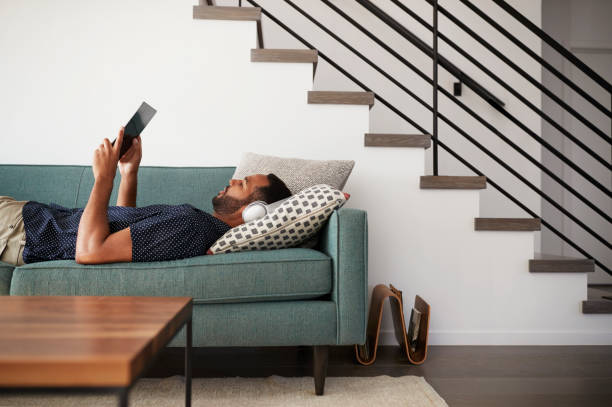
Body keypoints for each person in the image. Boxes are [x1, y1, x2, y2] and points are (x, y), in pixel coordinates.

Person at [0, 128, 291, 266]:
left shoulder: (192, 226)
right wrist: (129, 174)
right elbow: (118, 228)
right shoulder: (196, 225)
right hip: (26, 220)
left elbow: (91, 251)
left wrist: (104, 178)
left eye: (242, 183)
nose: (231, 180)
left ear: (253, 211)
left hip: (25, 230)